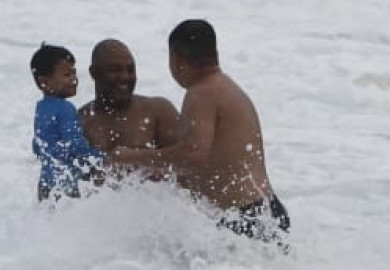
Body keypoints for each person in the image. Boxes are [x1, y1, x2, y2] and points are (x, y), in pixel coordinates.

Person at [106, 20, 288, 243]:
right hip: (263, 213)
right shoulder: (224, 87)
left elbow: (193, 154)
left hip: (246, 218)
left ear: (176, 58)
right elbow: (213, 160)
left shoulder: (201, 93)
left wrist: (132, 158)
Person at [79, 39, 183, 155]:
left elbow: (188, 161)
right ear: (94, 73)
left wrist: (133, 158)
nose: (125, 77)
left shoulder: (159, 112)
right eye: (115, 70)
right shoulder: (80, 121)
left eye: (130, 70)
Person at [30, 43, 100, 202]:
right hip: (64, 183)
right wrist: (99, 157)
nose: (74, 80)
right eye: (67, 75)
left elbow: (37, 145)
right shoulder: (65, 108)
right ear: (44, 82)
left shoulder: (41, 108)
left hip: (45, 183)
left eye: (74, 73)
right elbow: (75, 144)